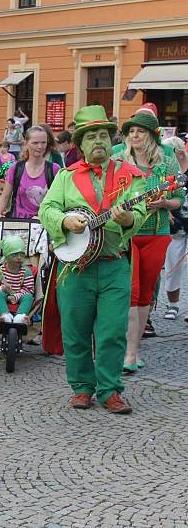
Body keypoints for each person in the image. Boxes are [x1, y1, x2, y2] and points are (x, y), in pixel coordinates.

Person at [38, 105, 147, 414]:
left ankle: (110, 389)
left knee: (112, 331)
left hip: (114, 264)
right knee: (75, 330)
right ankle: (82, 387)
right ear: (81, 144)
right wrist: (63, 222)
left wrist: (126, 219)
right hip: (75, 268)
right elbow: (46, 210)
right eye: (91, 137)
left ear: (111, 140)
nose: (98, 141)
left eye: (103, 135)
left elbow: (139, 214)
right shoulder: (65, 176)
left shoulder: (130, 176)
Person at [111, 104, 183, 374]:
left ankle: (133, 351)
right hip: (126, 234)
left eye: (141, 131)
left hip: (157, 232)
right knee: (130, 291)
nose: (135, 136)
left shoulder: (166, 160)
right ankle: (123, 351)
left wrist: (166, 203)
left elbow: (180, 200)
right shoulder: (117, 156)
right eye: (131, 131)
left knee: (145, 295)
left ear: (152, 135)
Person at [0, 125, 60, 219]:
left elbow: (58, 201)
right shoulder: (16, 168)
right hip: (18, 224)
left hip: (44, 225)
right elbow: (5, 197)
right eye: (35, 143)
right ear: (26, 144)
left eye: (43, 143)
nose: (40, 146)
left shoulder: (54, 169)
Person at [161, 136, 188, 320]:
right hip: (176, 224)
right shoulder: (169, 170)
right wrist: (167, 212)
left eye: (169, 154)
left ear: (179, 153)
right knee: (172, 264)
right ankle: (173, 305)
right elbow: (161, 190)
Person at [0, 235, 35, 324]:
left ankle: (20, 317)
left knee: (29, 297)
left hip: (20, 294)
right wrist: (3, 288)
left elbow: (29, 290)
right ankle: (5, 316)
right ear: (7, 256)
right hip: (4, 294)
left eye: (22, 254)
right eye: (15, 254)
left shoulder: (26, 272)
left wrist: (15, 296)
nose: (19, 257)